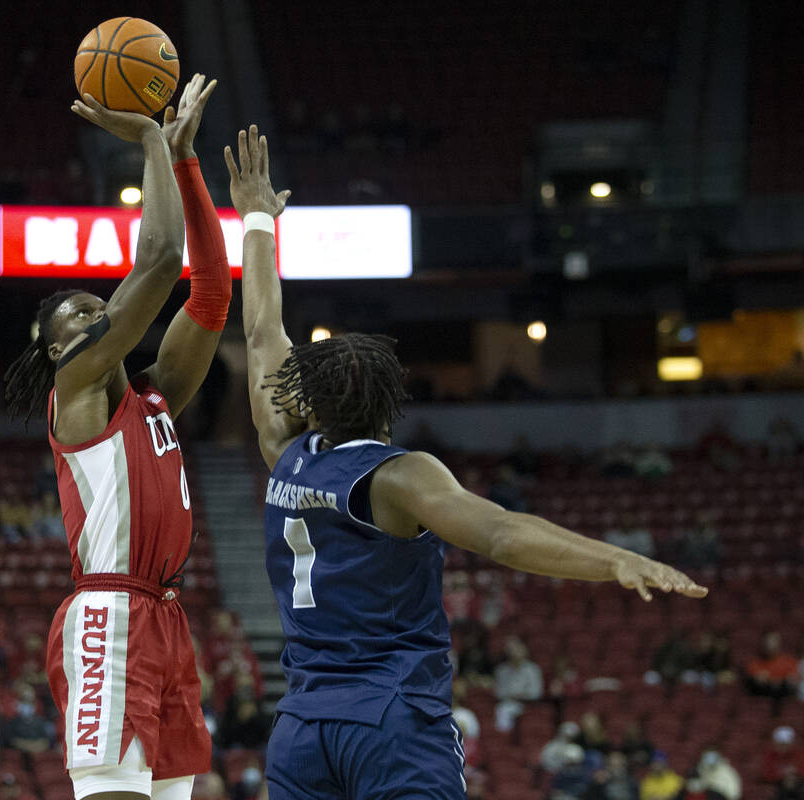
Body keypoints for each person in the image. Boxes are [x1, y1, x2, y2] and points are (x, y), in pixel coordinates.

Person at [228, 123, 708, 800]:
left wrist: (255, 220)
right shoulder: (399, 477)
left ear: (305, 401)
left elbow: (260, 331)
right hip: (390, 721)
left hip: (302, 728)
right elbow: (504, 535)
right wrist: (616, 560)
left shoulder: (284, 452)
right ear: (389, 408)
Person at [0, 74, 223, 800]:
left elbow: (211, 292)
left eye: (96, 305)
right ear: (55, 349)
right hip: (109, 613)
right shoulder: (76, 387)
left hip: (165, 615)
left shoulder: (155, 395)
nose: (93, 315)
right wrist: (154, 140)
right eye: (74, 316)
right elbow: (159, 262)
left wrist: (188, 165)